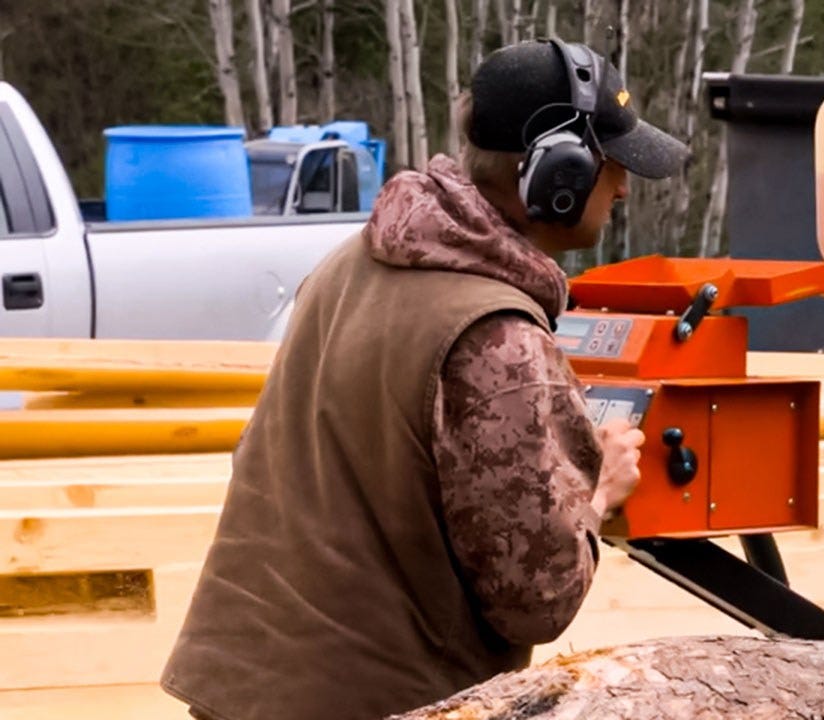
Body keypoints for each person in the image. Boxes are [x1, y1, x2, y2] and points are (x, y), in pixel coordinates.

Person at [160, 38, 691, 720]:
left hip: (241, 686)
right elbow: (537, 601)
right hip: (377, 702)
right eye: (612, 164)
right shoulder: (495, 333)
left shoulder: (350, 263)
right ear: (559, 171)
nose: (621, 186)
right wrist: (598, 491)